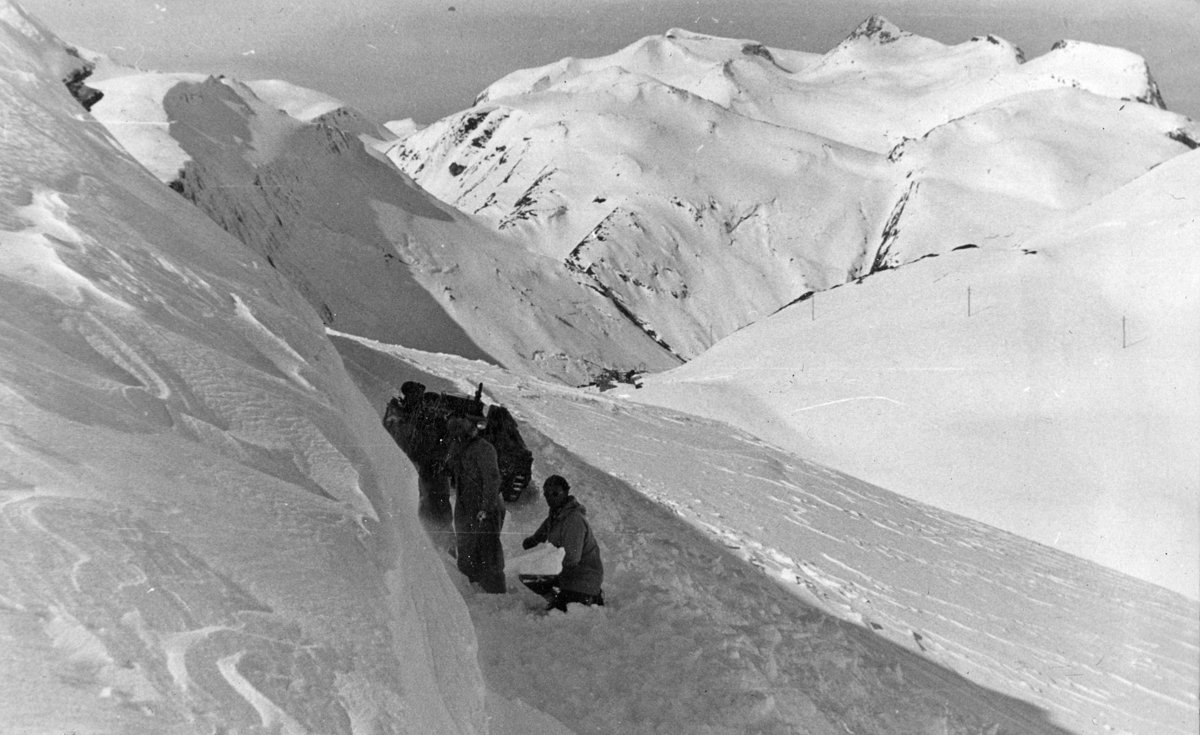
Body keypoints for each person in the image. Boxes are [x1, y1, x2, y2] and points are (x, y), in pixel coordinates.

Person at [522, 475, 604, 611]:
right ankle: (559, 600)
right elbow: (544, 530)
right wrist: (533, 540)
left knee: (556, 615)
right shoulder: (556, 515)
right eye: (546, 494)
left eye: (555, 493)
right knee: (528, 575)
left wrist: (547, 565)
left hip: (583, 579)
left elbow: (572, 559)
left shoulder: (573, 520)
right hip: (569, 576)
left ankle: (587, 599)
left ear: (566, 492)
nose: (550, 498)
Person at [445, 415, 507, 593]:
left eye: (459, 433)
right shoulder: (458, 447)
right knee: (466, 546)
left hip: (486, 506)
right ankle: (470, 588)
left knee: (488, 549)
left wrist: (485, 508)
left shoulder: (484, 449)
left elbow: (492, 480)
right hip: (466, 505)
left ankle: (495, 592)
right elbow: (450, 467)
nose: (456, 437)